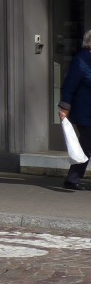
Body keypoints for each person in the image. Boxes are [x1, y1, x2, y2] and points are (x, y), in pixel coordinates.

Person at [59, 29, 91, 189]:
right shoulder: (82, 60)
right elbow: (69, 85)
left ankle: (72, 179)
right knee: (87, 144)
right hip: (85, 112)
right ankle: (72, 179)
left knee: (86, 146)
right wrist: (64, 107)